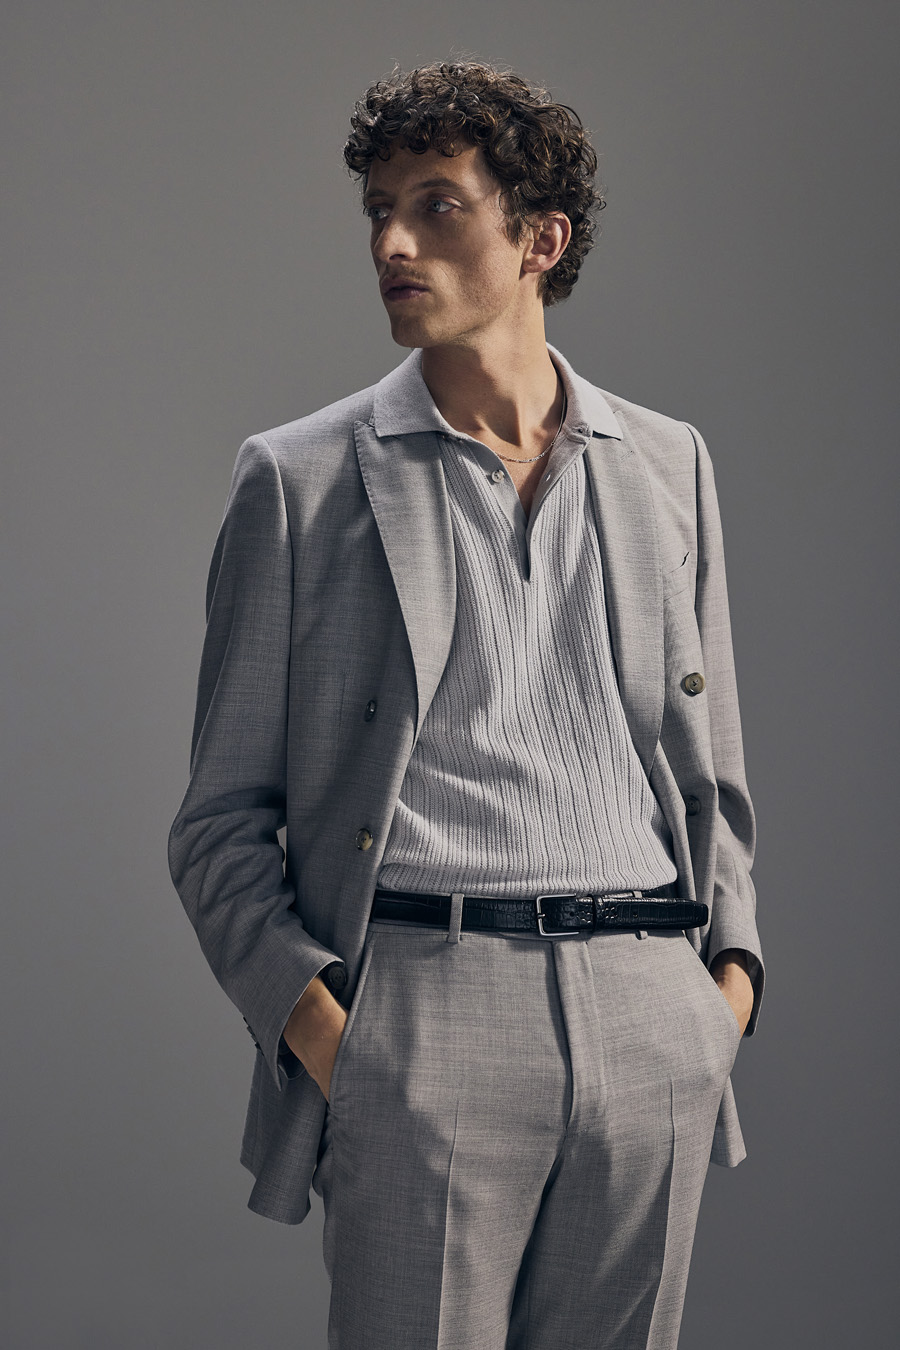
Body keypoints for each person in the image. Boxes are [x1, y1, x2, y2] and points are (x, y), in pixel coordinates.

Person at [168, 58, 764, 1350]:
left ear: (540, 240)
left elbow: (711, 770)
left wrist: (724, 992)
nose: (391, 242)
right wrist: (334, 1036)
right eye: (379, 210)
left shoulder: (668, 463)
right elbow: (218, 820)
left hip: (650, 1008)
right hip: (425, 1015)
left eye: (435, 206)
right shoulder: (301, 480)